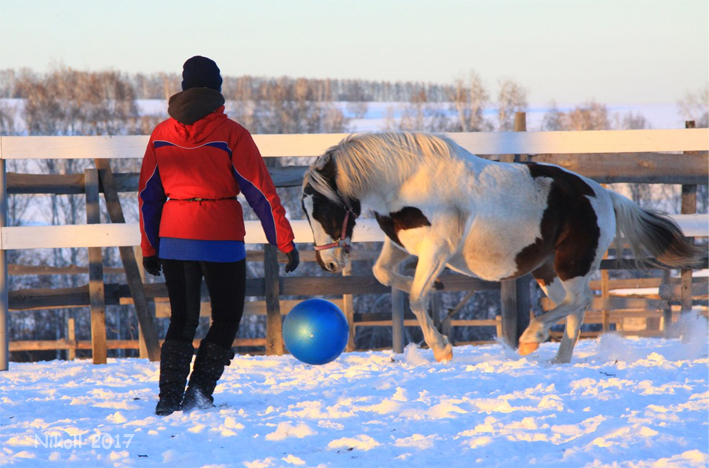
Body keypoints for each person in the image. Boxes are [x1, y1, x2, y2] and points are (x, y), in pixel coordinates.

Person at [138, 56, 299, 416]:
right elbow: (260, 192)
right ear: (218, 89)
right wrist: (284, 242)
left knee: (182, 318)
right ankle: (198, 391)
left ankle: (168, 398)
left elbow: (148, 196)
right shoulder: (233, 134)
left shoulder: (161, 135)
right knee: (225, 318)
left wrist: (150, 247)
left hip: (174, 237)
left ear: (183, 89)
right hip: (221, 238)